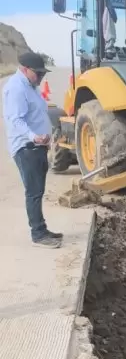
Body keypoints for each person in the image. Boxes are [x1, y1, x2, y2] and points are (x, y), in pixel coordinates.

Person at [2, 52, 62, 249]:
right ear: (25, 69)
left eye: (43, 74)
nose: (41, 77)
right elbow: (14, 119)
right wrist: (33, 136)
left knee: (38, 190)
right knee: (33, 192)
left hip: (38, 147)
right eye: (38, 74)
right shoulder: (16, 89)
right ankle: (37, 234)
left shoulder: (31, 86)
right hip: (27, 148)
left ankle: (42, 229)